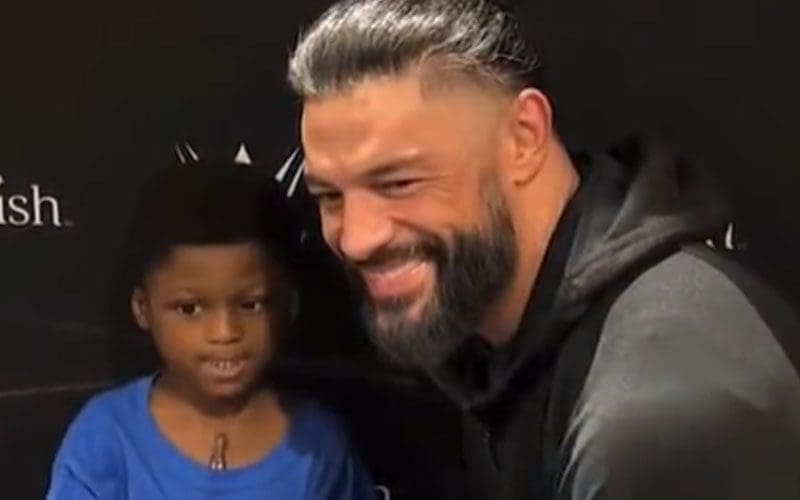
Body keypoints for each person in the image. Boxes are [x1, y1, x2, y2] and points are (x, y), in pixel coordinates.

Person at [286, 1, 800, 498]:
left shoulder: (654, 419)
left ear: (524, 137)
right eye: (330, 196)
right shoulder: (494, 333)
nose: (356, 238)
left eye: (398, 183)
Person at [45, 160, 375, 499]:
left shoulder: (319, 443)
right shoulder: (106, 435)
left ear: (289, 305)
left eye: (251, 304)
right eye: (189, 309)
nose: (224, 332)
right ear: (143, 309)